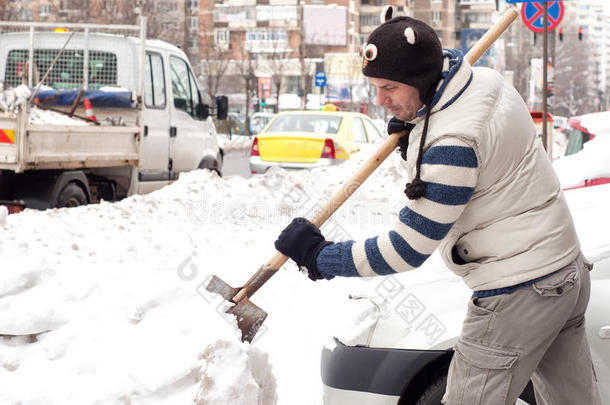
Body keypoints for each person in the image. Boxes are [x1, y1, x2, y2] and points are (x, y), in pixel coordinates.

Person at [274, 7, 601, 405]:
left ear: (421, 80)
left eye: (390, 87)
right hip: (564, 270)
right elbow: (484, 163)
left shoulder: (451, 145)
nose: (381, 100)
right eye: (376, 87)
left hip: (519, 292)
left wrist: (321, 257)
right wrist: (416, 136)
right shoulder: (488, 83)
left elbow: (406, 249)